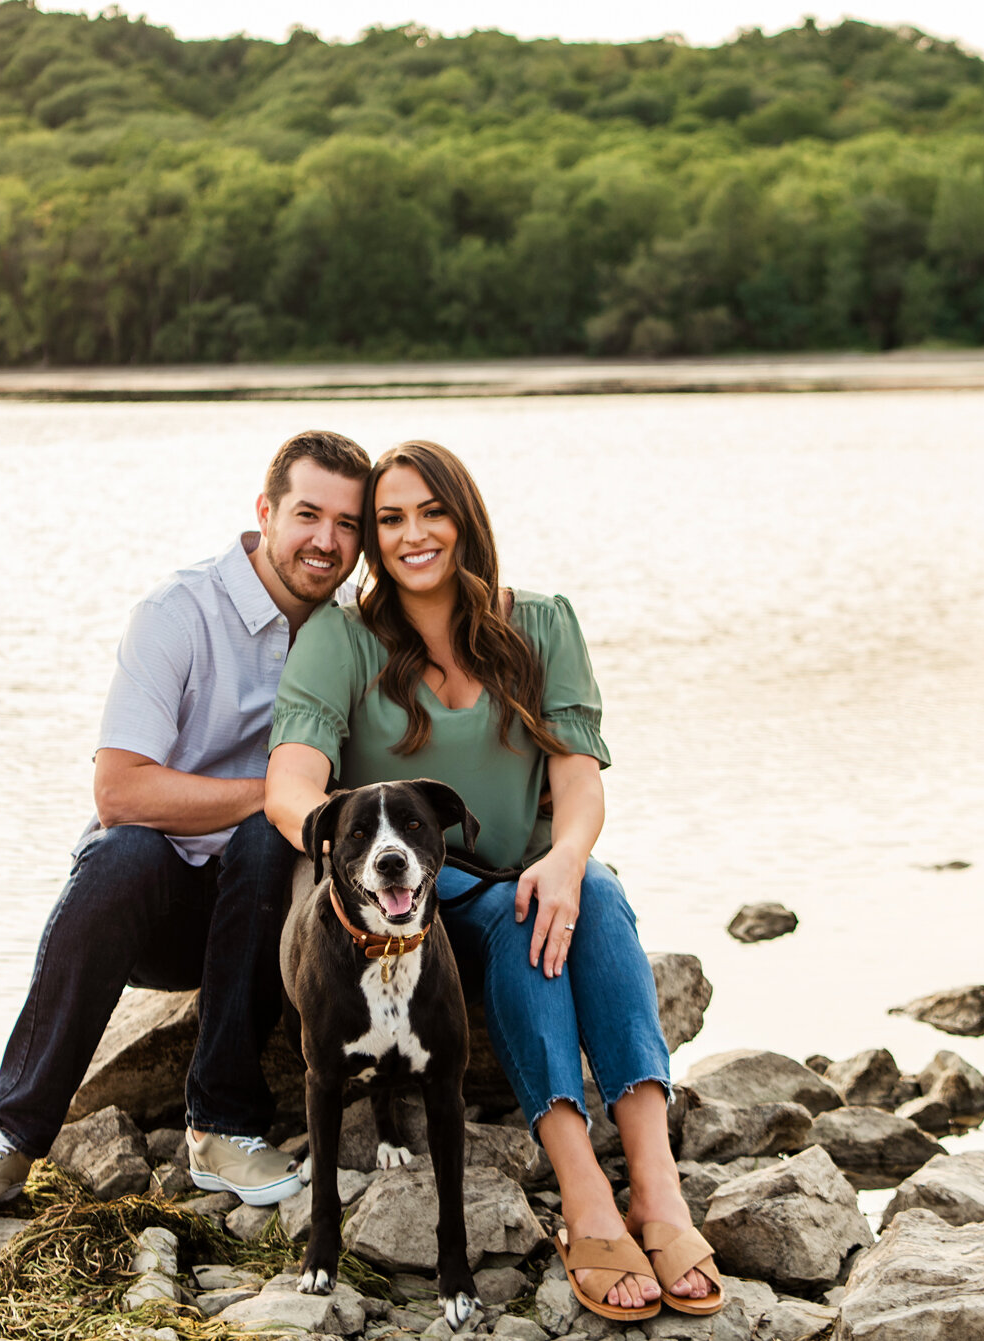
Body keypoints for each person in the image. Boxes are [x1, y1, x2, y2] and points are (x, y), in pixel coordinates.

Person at [263, 441, 722, 1323]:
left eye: (431, 510)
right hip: (425, 893)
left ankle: (657, 1193)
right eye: (389, 519)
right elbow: (291, 783)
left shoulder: (542, 623)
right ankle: (585, 1193)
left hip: (538, 861)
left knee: (601, 899)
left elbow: (579, 777)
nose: (411, 535)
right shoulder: (343, 639)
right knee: (522, 921)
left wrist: (569, 856)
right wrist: (342, 864)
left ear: (465, 517)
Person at [0, 430, 371, 1227]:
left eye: (349, 525)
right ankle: (8, 1134)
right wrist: (271, 793)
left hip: (266, 913)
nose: (327, 542)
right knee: (123, 850)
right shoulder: (179, 612)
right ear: (265, 512)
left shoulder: (350, 635)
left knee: (272, 842)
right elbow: (120, 790)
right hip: (155, 906)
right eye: (308, 515)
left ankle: (222, 1124)